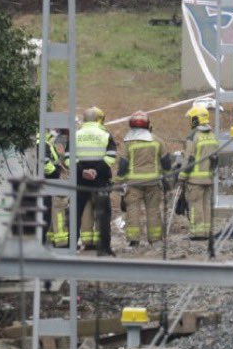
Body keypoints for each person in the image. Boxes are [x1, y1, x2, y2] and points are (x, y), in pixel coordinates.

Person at [118, 111, 170, 247]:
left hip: (133, 183)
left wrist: (119, 182)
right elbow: (166, 163)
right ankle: (155, 239)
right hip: (153, 182)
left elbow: (122, 165)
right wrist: (167, 179)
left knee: (132, 210)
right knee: (153, 210)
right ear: (148, 125)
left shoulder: (127, 142)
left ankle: (133, 240)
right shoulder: (158, 141)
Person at [73, 106, 116, 255]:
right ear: (99, 119)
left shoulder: (75, 134)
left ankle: (71, 247)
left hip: (80, 179)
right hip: (100, 180)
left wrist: (83, 171)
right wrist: (97, 171)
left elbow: (68, 157)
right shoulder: (105, 134)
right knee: (103, 214)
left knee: (76, 213)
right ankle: (104, 248)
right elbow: (111, 156)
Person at [181, 103, 219, 239]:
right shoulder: (212, 135)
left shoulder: (193, 136)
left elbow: (189, 159)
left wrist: (181, 176)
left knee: (195, 206)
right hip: (208, 178)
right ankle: (207, 232)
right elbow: (215, 158)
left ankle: (197, 233)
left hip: (195, 180)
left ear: (195, 119)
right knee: (206, 205)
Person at [42, 130, 69, 247]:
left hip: (57, 179)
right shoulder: (60, 140)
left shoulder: (53, 140)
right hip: (59, 179)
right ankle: (61, 241)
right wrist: (56, 172)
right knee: (59, 207)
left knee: (54, 208)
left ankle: (51, 237)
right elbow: (62, 158)